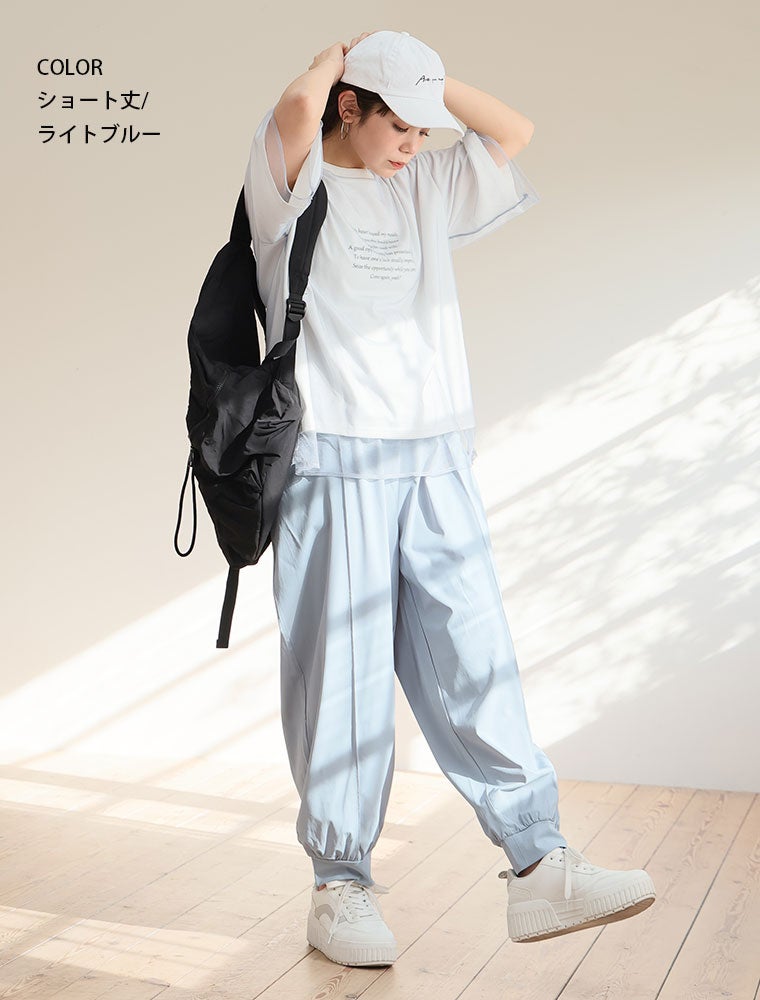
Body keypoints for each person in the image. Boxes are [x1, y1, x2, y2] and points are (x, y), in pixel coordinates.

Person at [243, 29, 656, 968]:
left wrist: (419, 83)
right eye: (400, 123)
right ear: (352, 106)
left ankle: (539, 862)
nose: (416, 143)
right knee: (342, 681)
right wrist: (340, 56)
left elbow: (514, 130)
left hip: (436, 461)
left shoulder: (425, 182)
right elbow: (300, 108)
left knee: (475, 657)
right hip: (333, 461)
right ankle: (339, 887)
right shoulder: (292, 186)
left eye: (425, 128)